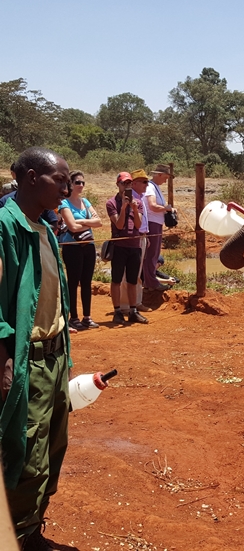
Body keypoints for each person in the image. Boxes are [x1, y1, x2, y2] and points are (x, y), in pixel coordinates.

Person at [0, 147, 73, 550]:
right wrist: (5, 359)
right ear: (31, 178)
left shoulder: (43, 227)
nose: (65, 187)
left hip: (56, 355)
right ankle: (19, 537)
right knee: (27, 451)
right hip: (28, 359)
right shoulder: (4, 227)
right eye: (58, 180)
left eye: (67, 180)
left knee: (53, 444)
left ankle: (32, 529)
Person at [58, 171, 102, 331]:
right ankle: (73, 317)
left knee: (86, 282)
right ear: (70, 184)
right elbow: (72, 227)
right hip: (72, 247)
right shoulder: (64, 203)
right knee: (73, 282)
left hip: (88, 245)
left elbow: (99, 222)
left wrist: (81, 221)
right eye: (77, 182)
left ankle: (87, 317)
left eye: (83, 182)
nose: (81, 185)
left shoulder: (85, 201)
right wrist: (89, 223)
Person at [105, 173, 148, 325]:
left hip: (134, 246)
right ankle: (117, 311)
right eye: (124, 184)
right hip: (119, 247)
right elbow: (119, 225)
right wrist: (123, 207)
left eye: (129, 183)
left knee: (132, 281)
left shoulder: (138, 203)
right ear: (118, 185)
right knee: (116, 280)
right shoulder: (111, 203)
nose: (127, 186)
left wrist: (135, 209)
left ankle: (133, 311)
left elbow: (138, 224)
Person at [118, 169, 152, 315]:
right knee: (127, 275)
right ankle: (125, 305)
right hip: (129, 239)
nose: (146, 185)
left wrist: (146, 236)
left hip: (141, 237)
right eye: (144, 182)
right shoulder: (126, 200)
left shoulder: (139, 200)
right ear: (136, 183)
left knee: (136, 273)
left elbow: (142, 221)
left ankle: (136, 303)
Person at [142, 164, 175, 292]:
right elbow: (152, 206)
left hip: (156, 222)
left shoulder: (155, 187)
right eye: (165, 177)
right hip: (152, 223)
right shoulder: (150, 187)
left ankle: (150, 280)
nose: (166, 180)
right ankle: (150, 282)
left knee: (154, 254)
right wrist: (166, 209)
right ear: (159, 175)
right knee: (151, 254)